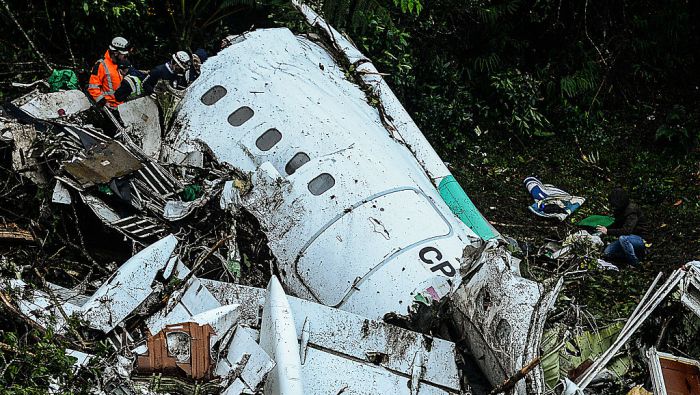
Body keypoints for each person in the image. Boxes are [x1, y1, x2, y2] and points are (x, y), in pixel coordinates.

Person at [596, 187, 650, 266]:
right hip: (629, 239)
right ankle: (630, 256)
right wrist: (604, 229)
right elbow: (617, 224)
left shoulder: (632, 211)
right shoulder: (620, 210)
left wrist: (608, 231)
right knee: (607, 253)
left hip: (640, 239)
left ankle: (635, 263)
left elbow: (626, 231)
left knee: (623, 238)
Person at [88, 37, 130, 108]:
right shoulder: (101, 65)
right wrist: (103, 103)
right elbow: (93, 88)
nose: (125, 57)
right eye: (123, 54)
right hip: (109, 106)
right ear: (116, 53)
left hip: (122, 105)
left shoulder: (120, 63)